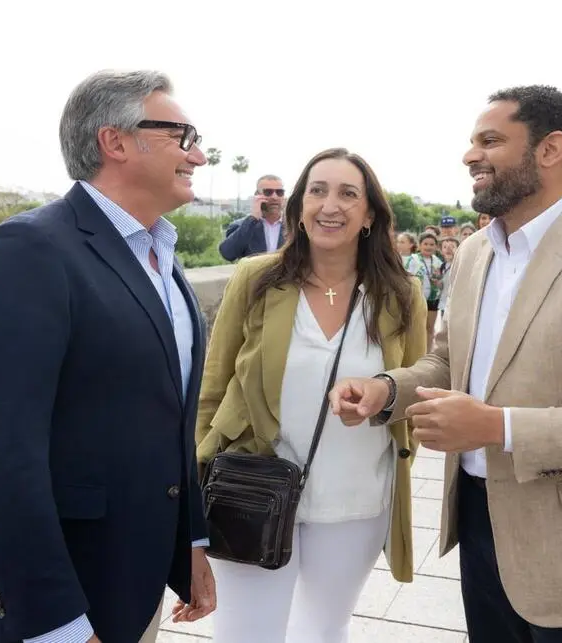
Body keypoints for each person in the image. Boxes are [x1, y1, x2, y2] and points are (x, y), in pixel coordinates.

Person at [329, 85, 562, 643]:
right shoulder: (477, 252)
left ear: (549, 150)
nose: (470, 155)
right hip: (480, 524)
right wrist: (387, 390)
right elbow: (450, 362)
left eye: (490, 141)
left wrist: (497, 427)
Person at [0, 70, 216, 643]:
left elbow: (168, 420)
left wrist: (187, 544)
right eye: (182, 135)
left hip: (133, 581)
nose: (200, 154)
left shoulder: (160, 255)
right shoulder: (27, 252)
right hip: (64, 593)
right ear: (114, 142)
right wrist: (54, 623)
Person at [196, 147, 427, 642]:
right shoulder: (254, 278)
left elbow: (415, 387)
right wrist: (195, 480)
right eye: (318, 191)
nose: (331, 205)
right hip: (251, 490)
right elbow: (212, 389)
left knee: (323, 630)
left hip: (356, 498)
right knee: (246, 634)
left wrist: (379, 398)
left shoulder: (400, 294)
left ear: (369, 215)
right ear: (300, 206)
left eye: (348, 194)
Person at [219, 175, 287, 261]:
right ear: (257, 195)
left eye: (279, 192)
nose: (274, 197)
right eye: (268, 192)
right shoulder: (241, 226)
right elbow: (228, 254)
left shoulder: (295, 226)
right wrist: (253, 219)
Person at [404, 231, 445, 350]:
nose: (428, 247)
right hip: (415, 298)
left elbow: (443, 283)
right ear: (419, 245)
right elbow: (405, 278)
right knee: (415, 327)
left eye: (432, 244)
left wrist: (438, 283)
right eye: (425, 244)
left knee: (429, 327)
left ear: (436, 247)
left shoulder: (438, 262)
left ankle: (427, 353)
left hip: (433, 298)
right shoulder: (412, 259)